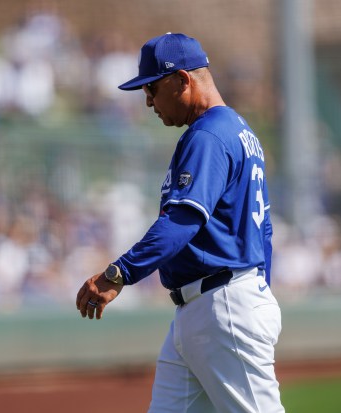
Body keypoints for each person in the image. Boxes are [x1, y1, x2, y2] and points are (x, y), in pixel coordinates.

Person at [76, 32, 284, 413]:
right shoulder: (238, 130)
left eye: (153, 87)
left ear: (183, 80)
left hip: (223, 305)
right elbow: (264, 230)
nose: (148, 100)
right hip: (208, 306)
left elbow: (182, 222)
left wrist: (118, 274)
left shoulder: (208, 135)